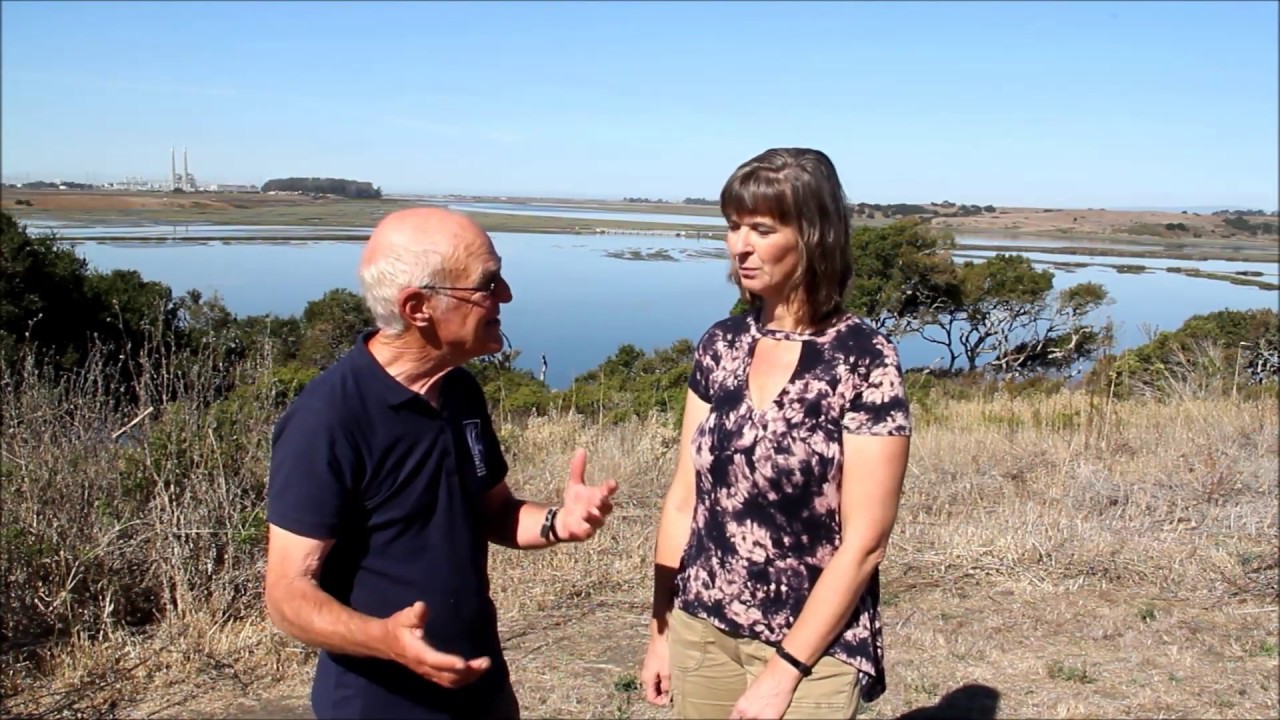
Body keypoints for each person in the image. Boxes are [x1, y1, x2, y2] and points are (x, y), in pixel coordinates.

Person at [263, 207, 619, 720]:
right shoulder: (329, 417)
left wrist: (558, 522)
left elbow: (493, 511)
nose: (506, 296)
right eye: (487, 284)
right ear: (417, 307)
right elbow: (287, 595)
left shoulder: (459, 391)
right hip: (382, 703)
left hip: (480, 687)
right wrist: (386, 639)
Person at [640, 148, 912, 720]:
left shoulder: (863, 359)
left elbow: (865, 542)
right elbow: (683, 500)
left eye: (762, 229)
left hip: (813, 649)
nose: (740, 245)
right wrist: (662, 628)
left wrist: (783, 673)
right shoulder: (721, 344)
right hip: (701, 626)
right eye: (734, 227)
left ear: (813, 236)